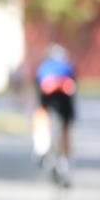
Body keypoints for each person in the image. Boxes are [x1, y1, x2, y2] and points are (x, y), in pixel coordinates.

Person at [35, 44, 76, 185]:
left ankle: (41, 149)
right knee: (65, 129)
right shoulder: (68, 67)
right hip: (64, 104)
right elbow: (73, 89)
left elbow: (39, 88)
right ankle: (65, 162)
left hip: (48, 102)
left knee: (41, 117)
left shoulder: (44, 67)